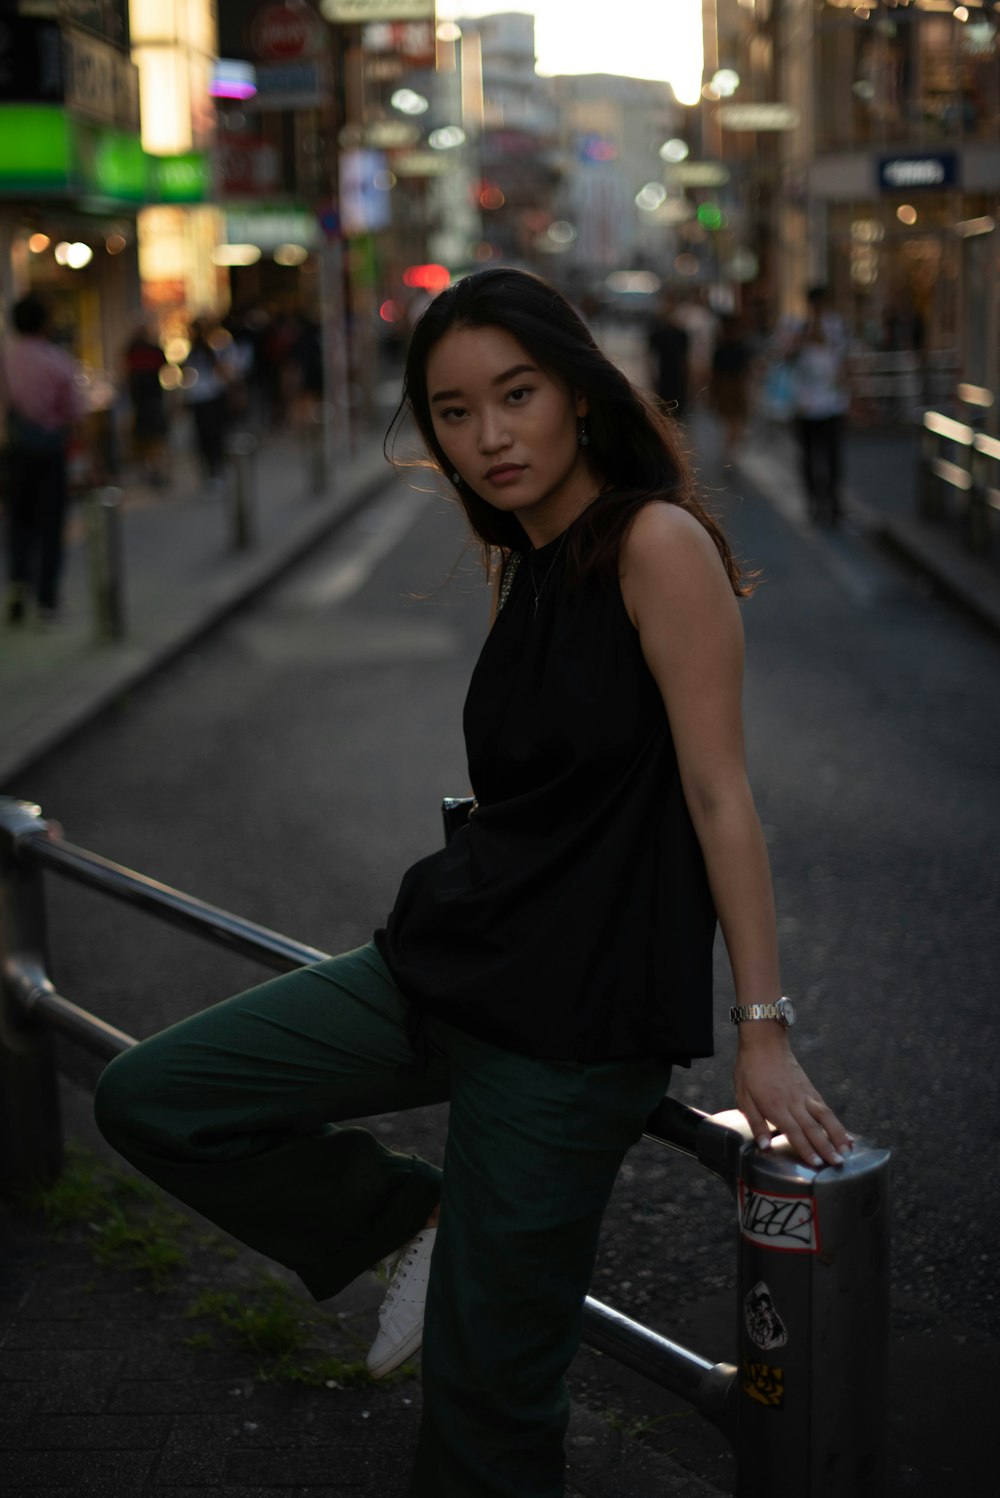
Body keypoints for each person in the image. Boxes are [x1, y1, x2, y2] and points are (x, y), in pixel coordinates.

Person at [93, 268, 852, 1498]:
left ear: (579, 395)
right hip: (446, 965)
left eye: (516, 395)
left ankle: (458, 1259)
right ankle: (405, 1221)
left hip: (567, 1032)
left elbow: (720, 796)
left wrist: (760, 1031)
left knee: (484, 1412)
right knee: (155, 1098)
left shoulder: (653, 543)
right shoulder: (531, 557)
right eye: (453, 411)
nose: (489, 435)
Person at [1, 293, 87, 625]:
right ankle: (47, 599)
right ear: (44, 323)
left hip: (15, 451)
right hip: (50, 450)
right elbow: (74, 414)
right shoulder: (57, 360)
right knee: (50, 524)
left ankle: (18, 586)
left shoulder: (5, 358)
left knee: (19, 523)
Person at [790, 289, 851, 526]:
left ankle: (833, 503)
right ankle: (814, 502)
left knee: (833, 455)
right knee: (808, 456)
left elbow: (844, 359)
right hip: (805, 404)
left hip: (832, 403)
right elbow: (786, 355)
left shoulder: (837, 326)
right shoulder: (798, 326)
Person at [181, 318, 230, 486]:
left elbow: (223, 372)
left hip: (211, 398)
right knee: (203, 437)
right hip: (199, 400)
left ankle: (216, 470)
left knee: (213, 435)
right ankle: (209, 473)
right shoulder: (191, 354)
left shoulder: (211, 351)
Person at [124, 320, 170, 488]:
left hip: (152, 401)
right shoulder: (132, 350)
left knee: (156, 439)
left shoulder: (153, 350)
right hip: (141, 403)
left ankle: (158, 470)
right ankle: (150, 471)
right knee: (146, 440)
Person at [709, 313, 754, 463]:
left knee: (731, 422)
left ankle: (730, 449)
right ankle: (731, 449)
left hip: (728, 387)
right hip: (731, 386)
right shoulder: (738, 347)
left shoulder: (723, 347)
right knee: (734, 421)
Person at [647, 294, 690, 418]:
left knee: (678, 411)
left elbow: (685, 358)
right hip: (663, 375)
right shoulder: (657, 332)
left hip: (677, 377)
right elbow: (650, 357)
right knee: (664, 409)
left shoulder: (682, 334)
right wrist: (651, 376)